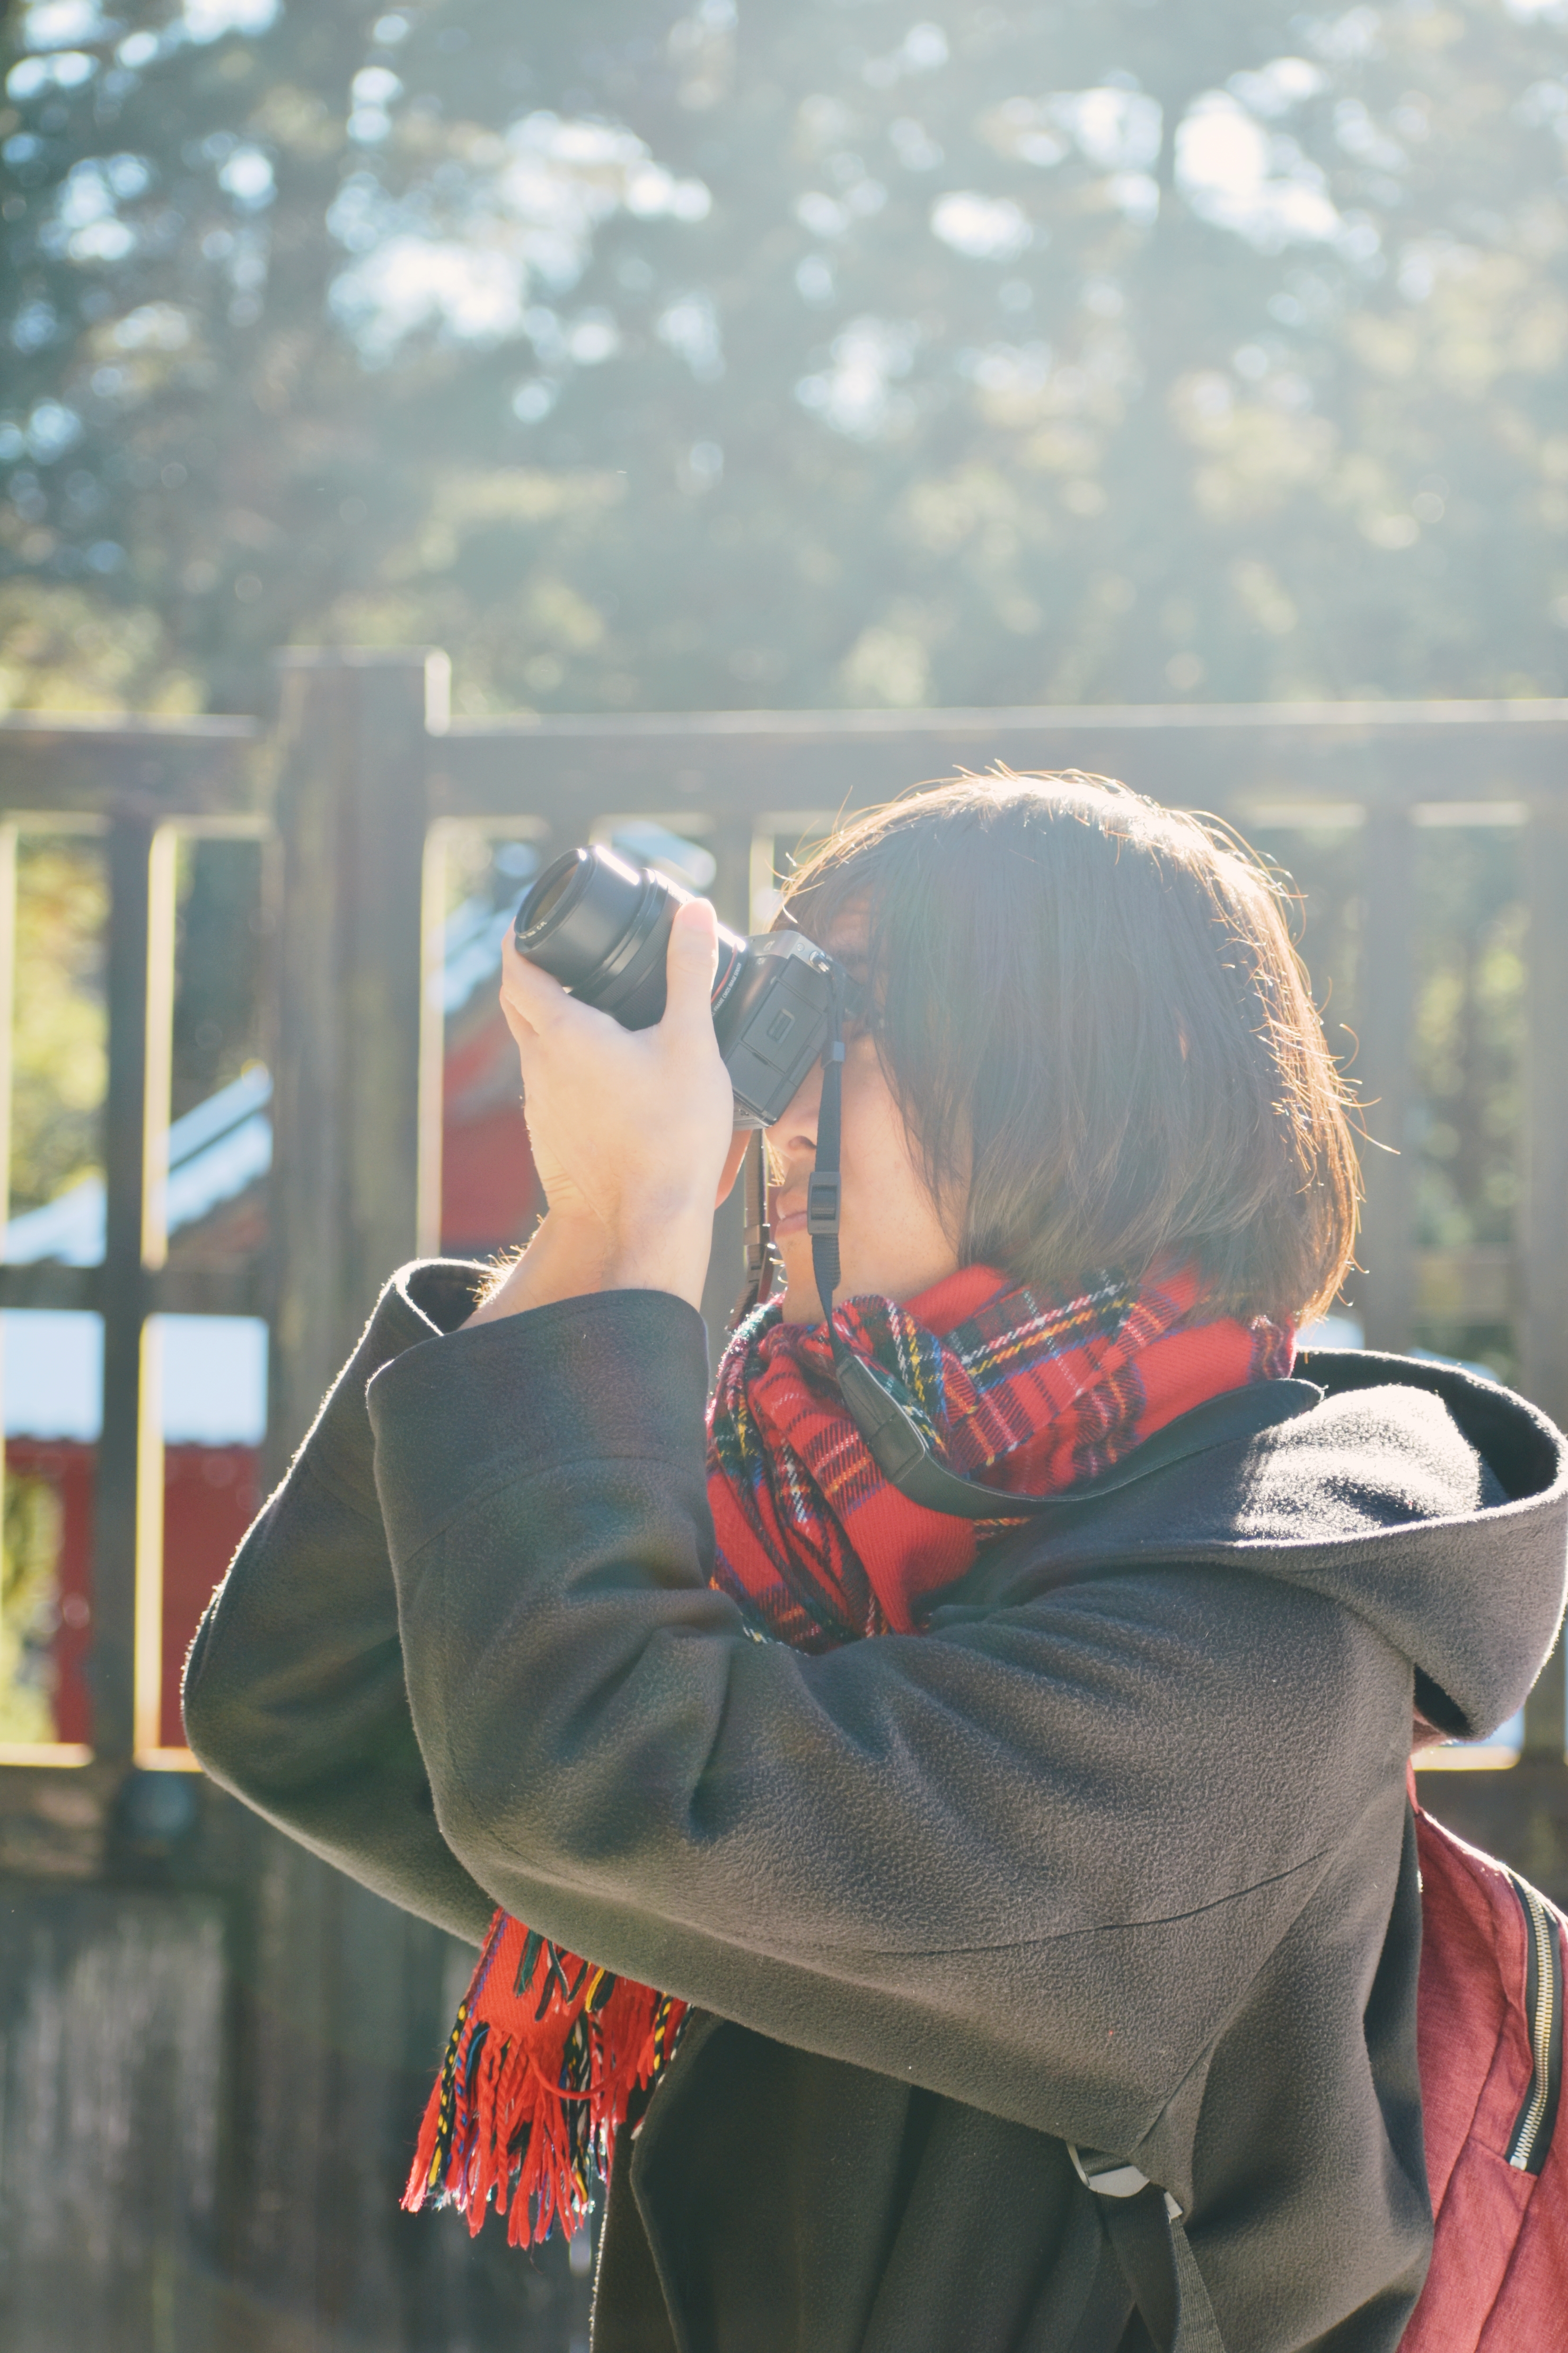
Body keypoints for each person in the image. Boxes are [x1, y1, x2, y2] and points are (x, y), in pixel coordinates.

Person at [184, 774, 1567, 2353]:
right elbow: (308, 1699)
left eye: (855, 1017)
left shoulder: (1260, 1647)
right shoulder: (841, 1524)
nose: (779, 1095)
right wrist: (587, 1239)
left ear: (1112, 1069)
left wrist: (637, 1216)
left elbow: (600, 1787)